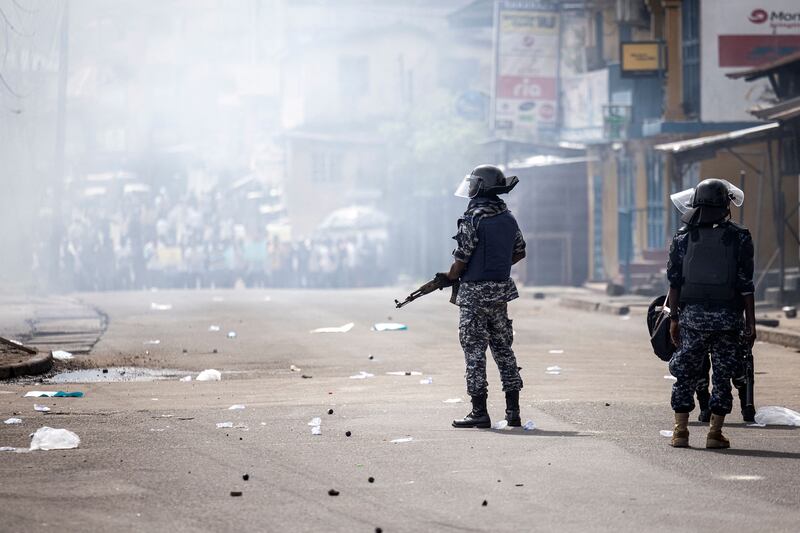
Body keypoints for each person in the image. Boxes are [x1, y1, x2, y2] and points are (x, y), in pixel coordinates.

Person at [666, 178, 756, 449]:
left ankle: (680, 432)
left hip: (691, 319)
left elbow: (674, 281)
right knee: (722, 377)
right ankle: (715, 434)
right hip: (728, 321)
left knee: (685, 374)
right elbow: (746, 285)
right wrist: (750, 322)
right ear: (724, 204)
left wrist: (673, 319)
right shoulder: (740, 237)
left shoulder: (682, 237)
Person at [443, 165, 527, 429]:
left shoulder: (473, 218)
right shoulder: (508, 218)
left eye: (473, 183)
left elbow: (461, 258)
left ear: (482, 186)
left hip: (474, 296)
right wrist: (496, 266)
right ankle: (513, 412)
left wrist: (450, 276)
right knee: (504, 350)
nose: (469, 188)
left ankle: (479, 411)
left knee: (475, 352)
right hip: (500, 294)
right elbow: (519, 252)